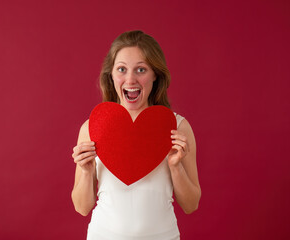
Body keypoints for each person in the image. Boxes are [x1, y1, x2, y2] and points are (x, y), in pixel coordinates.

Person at [71, 30, 201, 240]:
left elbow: (191, 204)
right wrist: (86, 172)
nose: (130, 79)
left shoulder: (178, 127)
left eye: (141, 69)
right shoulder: (92, 128)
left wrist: (175, 166)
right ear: (111, 75)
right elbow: (81, 207)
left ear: (155, 75)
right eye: (121, 69)